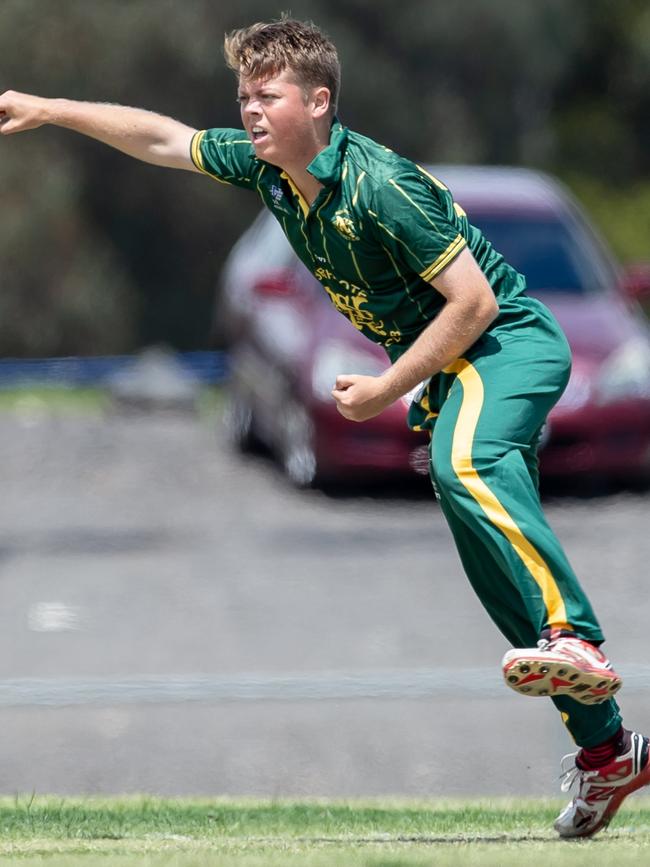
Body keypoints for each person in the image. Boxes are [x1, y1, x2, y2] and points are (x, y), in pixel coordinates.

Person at [1, 17, 646, 838]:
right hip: (453, 368)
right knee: (492, 565)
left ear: (319, 101)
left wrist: (383, 387)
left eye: (266, 95)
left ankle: (575, 634)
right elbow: (166, 140)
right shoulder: (273, 173)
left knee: (465, 461)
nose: (249, 111)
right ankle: (608, 751)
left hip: (508, 345)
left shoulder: (379, 184)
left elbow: (475, 304)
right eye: (243, 96)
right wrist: (52, 108)